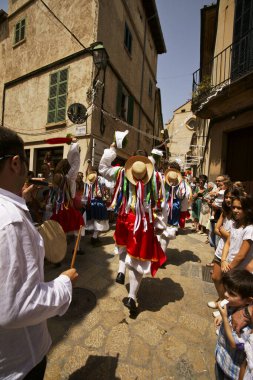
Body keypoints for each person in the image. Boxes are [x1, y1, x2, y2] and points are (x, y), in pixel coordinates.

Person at [0, 126, 78, 380]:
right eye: (24, 160)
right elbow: (15, 307)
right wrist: (64, 285)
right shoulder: (11, 222)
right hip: (18, 363)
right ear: (15, 164)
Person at [99, 142, 166, 314]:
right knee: (138, 260)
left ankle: (121, 271)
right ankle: (132, 297)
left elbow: (103, 168)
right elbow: (161, 204)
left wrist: (112, 148)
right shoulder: (156, 177)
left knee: (123, 246)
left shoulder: (121, 172)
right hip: (143, 223)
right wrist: (160, 224)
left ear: (131, 161)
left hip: (124, 217)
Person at [214, 269, 253, 379]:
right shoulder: (233, 304)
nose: (226, 294)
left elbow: (235, 344)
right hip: (220, 357)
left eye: (231, 293)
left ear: (248, 301)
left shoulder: (246, 323)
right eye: (226, 290)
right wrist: (221, 316)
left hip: (230, 370)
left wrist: (225, 318)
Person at [207, 188, 233, 308]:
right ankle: (222, 300)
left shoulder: (242, 215)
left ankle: (224, 305)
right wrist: (226, 235)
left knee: (229, 282)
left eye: (231, 197)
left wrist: (227, 235)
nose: (228, 199)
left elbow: (237, 237)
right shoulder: (224, 212)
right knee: (216, 277)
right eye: (226, 197)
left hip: (232, 253)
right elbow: (217, 229)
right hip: (221, 250)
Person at [220, 194, 253, 273]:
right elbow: (228, 243)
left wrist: (228, 269)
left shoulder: (249, 229)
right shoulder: (234, 224)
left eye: (239, 208)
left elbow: (241, 256)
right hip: (229, 264)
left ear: (247, 209)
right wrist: (223, 260)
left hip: (239, 271)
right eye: (233, 207)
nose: (235, 210)